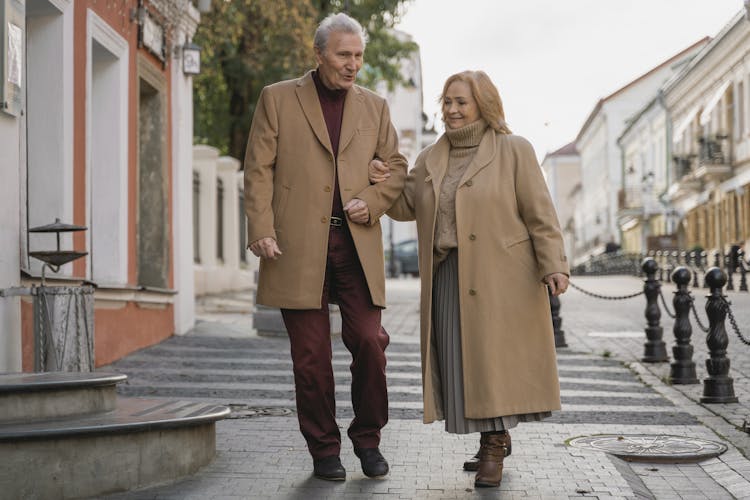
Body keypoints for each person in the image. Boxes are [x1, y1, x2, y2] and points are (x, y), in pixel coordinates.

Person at [369, 70, 569, 488]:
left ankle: (494, 446)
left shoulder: (513, 150)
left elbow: (541, 213)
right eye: (447, 102)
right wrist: (382, 180)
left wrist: (554, 264)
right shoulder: (430, 157)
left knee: (492, 363)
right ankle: (489, 439)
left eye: (462, 102)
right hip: (448, 275)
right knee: (462, 364)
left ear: (483, 104)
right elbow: (407, 206)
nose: (453, 110)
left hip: (503, 278)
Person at [243, 12, 407, 481]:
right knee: (311, 356)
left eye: (358, 55)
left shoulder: (375, 107)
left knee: (370, 343)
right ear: (318, 54)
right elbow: (258, 169)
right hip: (294, 244)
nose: (352, 63)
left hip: (356, 243)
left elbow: (395, 166)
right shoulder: (277, 98)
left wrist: (372, 201)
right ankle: (324, 450)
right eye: (343, 54)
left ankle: (368, 437)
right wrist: (261, 226)